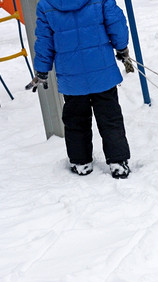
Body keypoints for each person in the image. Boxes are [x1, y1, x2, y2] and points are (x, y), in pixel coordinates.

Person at [25, 0, 132, 179]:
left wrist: (42, 70)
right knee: (110, 118)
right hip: (102, 71)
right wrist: (122, 47)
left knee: (76, 120)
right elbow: (116, 23)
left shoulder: (46, 4)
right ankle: (118, 161)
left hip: (71, 75)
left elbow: (44, 40)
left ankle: (81, 162)